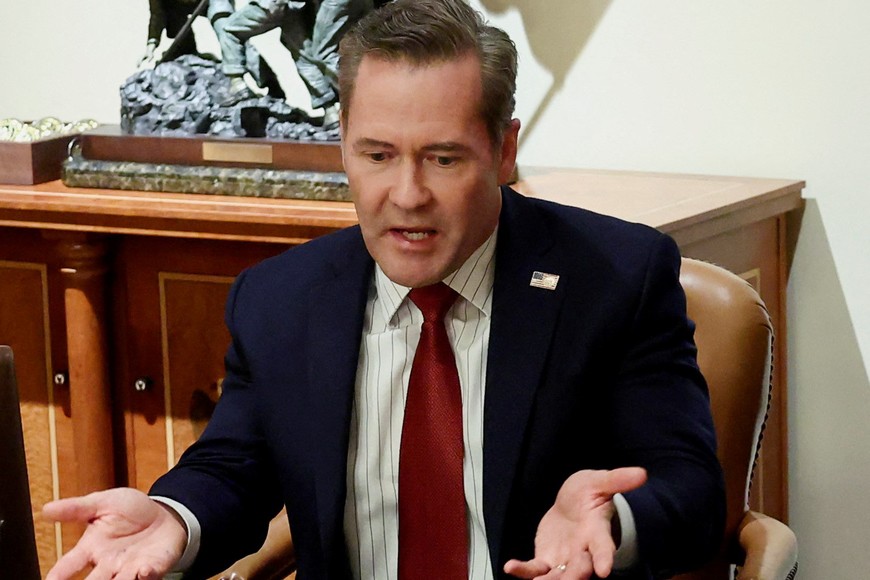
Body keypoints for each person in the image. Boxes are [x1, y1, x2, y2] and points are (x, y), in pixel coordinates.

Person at [44, 1, 725, 578]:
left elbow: (693, 489)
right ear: (341, 145)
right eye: (377, 155)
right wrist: (173, 515)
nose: (407, 196)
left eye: (443, 158)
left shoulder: (615, 277)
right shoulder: (281, 299)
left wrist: (614, 516)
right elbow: (234, 467)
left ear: (504, 150)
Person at [214, 0, 373, 125]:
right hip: (293, 7)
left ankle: (237, 83)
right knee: (304, 57)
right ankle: (330, 112)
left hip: (272, 5)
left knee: (229, 30)